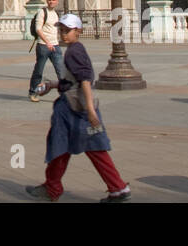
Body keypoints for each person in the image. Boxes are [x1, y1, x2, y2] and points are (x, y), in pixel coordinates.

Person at [25, 14, 130, 202]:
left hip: (75, 110)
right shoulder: (76, 49)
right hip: (77, 108)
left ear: (78, 31)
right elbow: (72, 80)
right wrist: (53, 85)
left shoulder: (75, 51)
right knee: (89, 148)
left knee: (63, 147)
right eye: (61, 30)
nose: (63, 34)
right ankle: (117, 188)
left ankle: (53, 188)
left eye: (67, 30)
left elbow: (85, 81)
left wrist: (90, 110)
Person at [28, 0, 66, 101]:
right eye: (49, 0)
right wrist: (47, 42)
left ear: (57, 1)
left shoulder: (56, 14)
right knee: (39, 70)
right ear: (47, 1)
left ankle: (65, 94)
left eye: (53, 0)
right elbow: (38, 29)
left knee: (60, 70)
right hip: (43, 46)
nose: (51, 2)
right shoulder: (42, 12)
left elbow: (55, 30)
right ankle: (33, 92)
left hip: (55, 46)